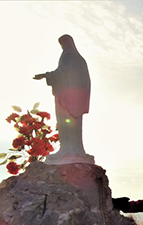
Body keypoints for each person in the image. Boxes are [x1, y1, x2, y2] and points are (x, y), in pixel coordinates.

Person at [33, 34, 94, 165]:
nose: (62, 47)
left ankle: (68, 149)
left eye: (63, 44)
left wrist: (45, 75)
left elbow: (62, 73)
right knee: (74, 126)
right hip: (75, 99)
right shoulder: (80, 59)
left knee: (66, 124)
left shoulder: (68, 56)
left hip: (67, 98)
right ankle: (72, 149)